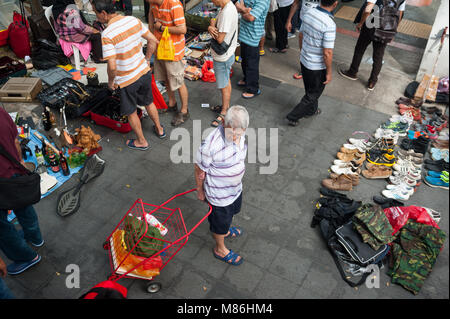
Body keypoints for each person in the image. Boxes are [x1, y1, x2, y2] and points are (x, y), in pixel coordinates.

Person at [93, 0, 165, 151]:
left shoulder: (107, 34)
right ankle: (159, 129)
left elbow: (112, 66)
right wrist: (146, 60)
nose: (96, 17)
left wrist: (111, 82)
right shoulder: (133, 20)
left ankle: (141, 141)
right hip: (143, 72)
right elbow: (153, 40)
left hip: (126, 80)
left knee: (131, 112)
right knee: (148, 102)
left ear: (104, 14)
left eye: (96, 13)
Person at [195, 106, 249, 266]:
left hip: (236, 189)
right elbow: (199, 169)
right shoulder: (210, 145)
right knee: (220, 222)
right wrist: (200, 190)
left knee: (231, 214)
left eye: (238, 134)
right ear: (224, 123)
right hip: (219, 196)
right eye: (231, 133)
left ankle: (224, 230)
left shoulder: (240, 132)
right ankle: (220, 248)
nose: (234, 137)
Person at [0, 107, 43, 276]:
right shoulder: (2, 113)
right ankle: (35, 237)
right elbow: (16, 141)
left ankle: (26, 257)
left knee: (2, 227)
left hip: (2, 180)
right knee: (23, 205)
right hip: (14, 172)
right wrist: (20, 161)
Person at [285, 0, 337, 126]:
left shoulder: (309, 13)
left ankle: (311, 110)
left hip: (304, 60)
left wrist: (303, 52)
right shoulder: (329, 24)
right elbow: (327, 53)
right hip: (317, 66)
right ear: (335, 4)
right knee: (313, 93)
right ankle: (293, 116)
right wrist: (329, 72)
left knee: (310, 89)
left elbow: (301, 35)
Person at [338, 0, 406, 91]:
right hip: (386, 28)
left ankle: (352, 72)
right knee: (378, 55)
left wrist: (361, 23)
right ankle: (372, 82)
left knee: (360, 49)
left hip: (371, 23)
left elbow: (368, 9)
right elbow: (400, 13)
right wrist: (393, 29)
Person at [148, 0, 190, 127]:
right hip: (160, 47)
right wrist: (151, 39)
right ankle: (172, 103)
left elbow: (182, 29)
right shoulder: (153, 4)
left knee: (178, 81)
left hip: (173, 51)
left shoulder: (174, 4)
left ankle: (184, 110)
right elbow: (151, 20)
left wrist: (161, 28)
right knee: (166, 78)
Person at [208, 0, 239, 127]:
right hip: (228, 53)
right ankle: (225, 106)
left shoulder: (227, 12)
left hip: (223, 56)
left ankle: (224, 111)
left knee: (224, 84)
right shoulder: (228, 7)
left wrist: (211, 27)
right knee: (226, 82)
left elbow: (220, 39)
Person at [235, 0, 270, 99]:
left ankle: (253, 89)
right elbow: (237, 4)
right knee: (245, 61)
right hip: (244, 34)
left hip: (253, 37)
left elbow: (251, 17)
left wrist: (242, 10)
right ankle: (246, 79)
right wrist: (246, 10)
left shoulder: (263, 1)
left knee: (252, 65)